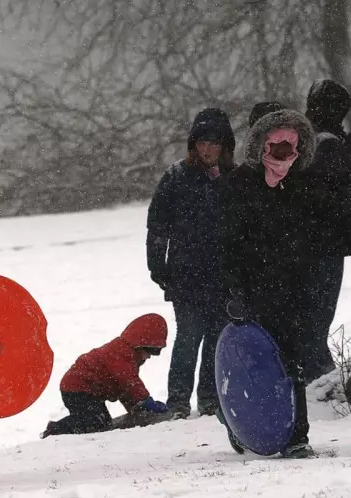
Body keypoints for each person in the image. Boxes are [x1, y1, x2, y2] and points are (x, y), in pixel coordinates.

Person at [222, 108, 323, 458]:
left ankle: (296, 436)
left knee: (290, 364)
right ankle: (244, 426)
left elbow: (310, 236)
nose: (284, 151)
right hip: (251, 291)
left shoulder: (302, 185)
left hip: (291, 290)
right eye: (276, 142)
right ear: (261, 144)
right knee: (250, 365)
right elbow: (229, 243)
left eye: (291, 143)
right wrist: (235, 291)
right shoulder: (238, 186)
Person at [147, 108, 235, 418]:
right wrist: (158, 267)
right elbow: (157, 227)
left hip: (224, 278)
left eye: (214, 142)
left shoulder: (234, 179)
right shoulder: (176, 177)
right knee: (188, 337)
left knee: (216, 340)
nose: (207, 149)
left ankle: (210, 400)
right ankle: (179, 401)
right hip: (186, 276)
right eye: (202, 142)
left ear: (225, 145)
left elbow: (244, 231)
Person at [40, 314, 169, 437]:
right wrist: (146, 401)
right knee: (93, 422)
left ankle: (66, 429)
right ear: (139, 345)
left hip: (91, 392)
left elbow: (124, 388)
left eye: (156, 351)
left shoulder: (130, 357)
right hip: (77, 388)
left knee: (103, 423)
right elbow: (130, 383)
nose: (151, 356)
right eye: (151, 350)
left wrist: (135, 407)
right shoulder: (121, 354)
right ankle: (55, 430)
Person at [303, 79, 351, 381]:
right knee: (316, 317)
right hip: (323, 245)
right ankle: (318, 377)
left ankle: (317, 374)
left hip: (319, 243)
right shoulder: (328, 146)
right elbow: (333, 200)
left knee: (314, 316)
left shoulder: (316, 143)